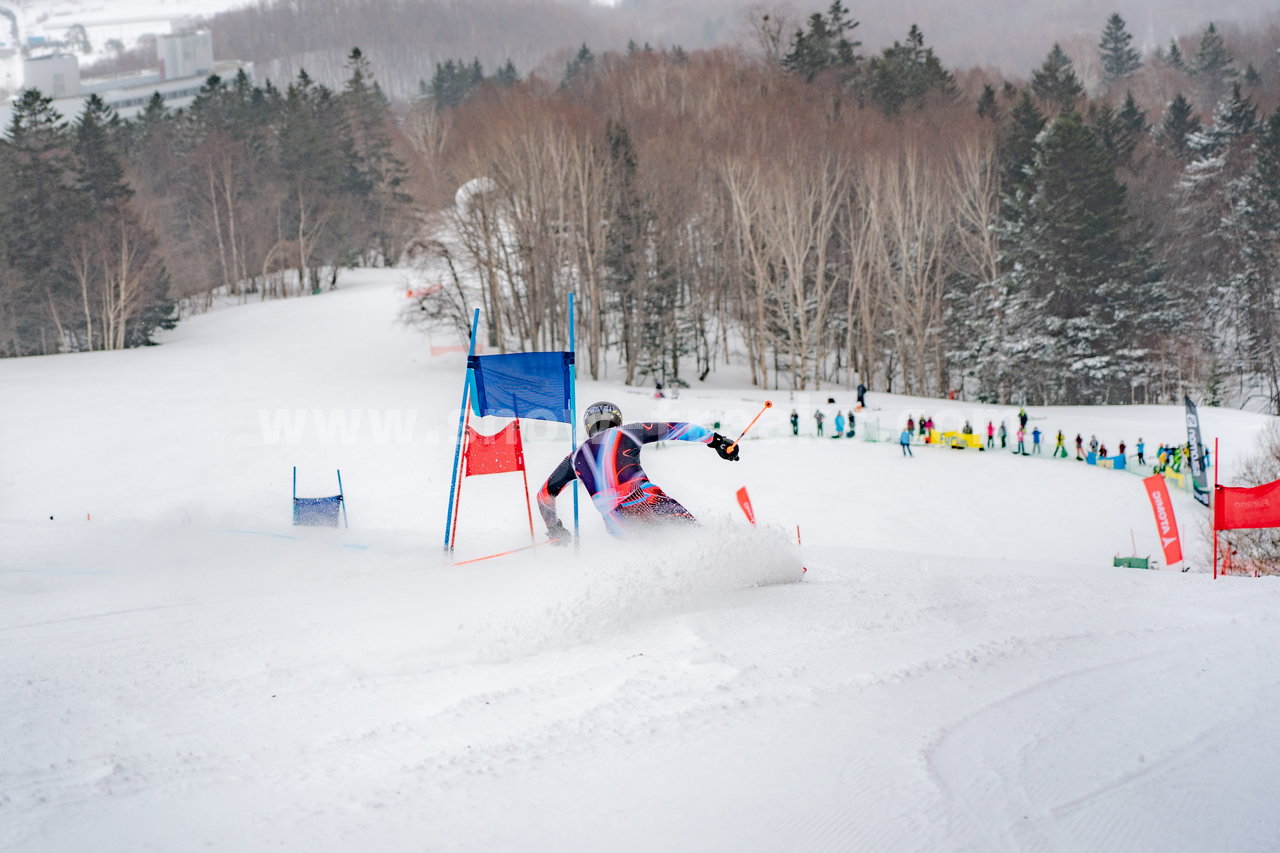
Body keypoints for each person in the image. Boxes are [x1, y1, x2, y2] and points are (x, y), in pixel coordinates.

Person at [537, 401, 740, 542]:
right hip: (644, 499)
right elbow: (677, 428)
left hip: (615, 521)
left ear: (588, 426)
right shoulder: (627, 431)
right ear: (618, 421)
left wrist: (554, 528)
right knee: (693, 538)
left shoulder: (574, 458)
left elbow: (544, 495)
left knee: (654, 549)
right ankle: (720, 564)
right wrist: (717, 441)